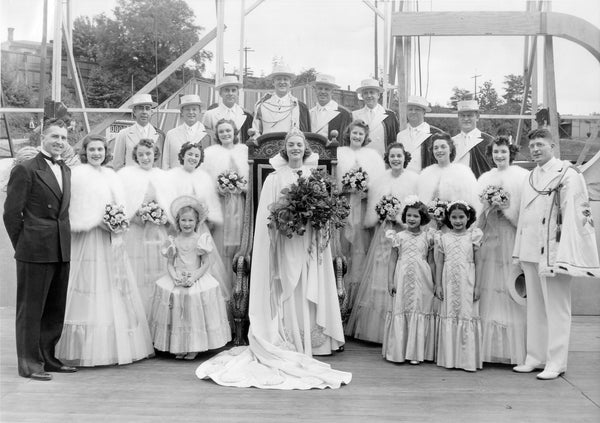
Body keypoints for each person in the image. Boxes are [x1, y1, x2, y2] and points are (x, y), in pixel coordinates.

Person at [195, 129, 351, 390]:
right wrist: (286, 222)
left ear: (306, 149)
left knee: (307, 282)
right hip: (285, 241)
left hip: (309, 241)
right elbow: (266, 217)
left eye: (299, 144)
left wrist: (314, 219)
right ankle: (286, 338)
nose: (295, 148)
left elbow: (324, 214)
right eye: (290, 145)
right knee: (287, 289)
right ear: (285, 149)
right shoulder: (273, 179)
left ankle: (314, 341)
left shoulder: (316, 178)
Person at [56, 134, 154, 367]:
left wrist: (117, 221)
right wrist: (98, 221)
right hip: (90, 239)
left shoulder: (112, 175)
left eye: (100, 149)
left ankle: (113, 346)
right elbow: (76, 207)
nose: (97, 154)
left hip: (112, 239)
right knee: (90, 285)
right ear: (85, 152)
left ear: (106, 152)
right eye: (92, 150)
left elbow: (119, 205)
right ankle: (84, 346)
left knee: (112, 286)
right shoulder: (78, 175)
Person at [512, 128, 600, 380]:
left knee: (557, 308)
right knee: (536, 307)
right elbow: (524, 217)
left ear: (552, 146)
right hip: (531, 251)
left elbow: (576, 215)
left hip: (554, 252)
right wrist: (519, 252)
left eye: (540, 144)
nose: (536, 149)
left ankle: (556, 361)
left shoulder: (568, 175)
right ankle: (535, 357)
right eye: (532, 146)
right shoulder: (530, 176)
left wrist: (565, 253)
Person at [3, 119, 76, 380]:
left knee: (55, 308)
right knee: (31, 308)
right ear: (42, 138)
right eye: (54, 136)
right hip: (34, 248)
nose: (59, 142)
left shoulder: (65, 169)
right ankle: (29, 363)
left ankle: (48, 357)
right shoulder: (26, 169)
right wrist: (23, 244)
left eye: (64, 138)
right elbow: (11, 214)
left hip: (60, 246)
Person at [346, 142, 417, 343]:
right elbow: (372, 210)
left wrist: (400, 218)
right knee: (379, 272)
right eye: (392, 156)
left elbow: (415, 207)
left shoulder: (413, 179)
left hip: (403, 232)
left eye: (399, 156)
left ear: (405, 158)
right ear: (388, 159)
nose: (396, 159)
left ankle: (399, 327)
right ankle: (375, 329)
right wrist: (383, 214)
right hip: (383, 231)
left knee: (399, 272)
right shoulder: (380, 180)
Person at [149, 196, 231, 360]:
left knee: (193, 308)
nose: (187, 224)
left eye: (190, 220)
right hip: (178, 277)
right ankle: (180, 346)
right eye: (184, 220)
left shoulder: (201, 240)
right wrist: (174, 277)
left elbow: (205, 264)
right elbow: (170, 264)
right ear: (178, 222)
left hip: (196, 276)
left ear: (197, 221)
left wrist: (193, 277)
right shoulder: (173, 240)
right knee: (176, 307)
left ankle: (194, 346)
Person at [476, 136, 528, 365]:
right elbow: (478, 210)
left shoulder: (521, 177)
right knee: (490, 283)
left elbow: (523, 211)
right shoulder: (486, 178)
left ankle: (513, 348)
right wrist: (489, 205)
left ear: (511, 154)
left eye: (503, 152)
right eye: (496, 152)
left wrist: (507, 208)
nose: (499, 156)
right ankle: (487, 347)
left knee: (507, 283)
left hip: (509, 234)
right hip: (490, 236)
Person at [336, 120, 385, 320]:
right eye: (354, 133)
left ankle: (356, 304)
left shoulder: (372, 157)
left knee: (360, 251)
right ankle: (340, 297)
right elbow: (334, 183)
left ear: (365, 137)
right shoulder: (340, 153)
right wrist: (346, 188)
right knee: (343, 248)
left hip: (363, 207)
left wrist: (366, 189)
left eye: (361, 134)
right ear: (349, 134)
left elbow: (378, 185)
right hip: (345, 207)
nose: (357, 137)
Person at [117, 139, 171, 315]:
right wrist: (136, 216)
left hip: (158, 232)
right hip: (136, 231)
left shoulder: (163, 175)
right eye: (140, 154)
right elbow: (122, 204)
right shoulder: (126, 175)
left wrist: (162, 216)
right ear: (135, 156)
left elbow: (170, 203)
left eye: (148, 153)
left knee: (159, 269)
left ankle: (157, 313)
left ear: (155, 154)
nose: (145, 157)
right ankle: (136, 312)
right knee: (136, 270)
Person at [383, 197, 436, 364]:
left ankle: (415, 353)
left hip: (422, 278)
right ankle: (399, 350)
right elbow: (392, 259)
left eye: (416, 216)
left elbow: (432, 261)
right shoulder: (398, 236)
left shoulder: (428, 237)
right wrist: (390, 281)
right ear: (405, 216)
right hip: (403, 276)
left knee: (419, 309)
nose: (412, 219)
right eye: (409, 215)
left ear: (423, 218)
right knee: (401, 308)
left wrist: (435, 283)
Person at [434, 201, 483, 372]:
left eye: (461, 217)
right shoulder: (443, 238)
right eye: (454, 217)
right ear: (448, 218)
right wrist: (438, 284)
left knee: (465, 314)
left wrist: (477, 286)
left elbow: (479, 262)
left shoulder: (473, 236)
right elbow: (439, 263)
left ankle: (466, 359)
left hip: (467, 281)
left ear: (468, 217)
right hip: (448, 282)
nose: (457, 221)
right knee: (450, 314)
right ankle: (450, 358)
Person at [201, 119, 248, 288]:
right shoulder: (210, 153)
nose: (225, 134)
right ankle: (221, 285)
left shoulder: (244, 151)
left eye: (228, 130)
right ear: (217, 134)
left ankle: (240, 285)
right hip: (220, 205)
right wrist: (218, 188)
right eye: (221, 131)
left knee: (240, 241)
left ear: (234, 132)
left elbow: (250, 178)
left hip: (241, 204)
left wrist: (242, 187)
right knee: (221, 243)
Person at [418, 133, 480, 221]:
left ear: (450, 150)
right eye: (436, 148)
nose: (439, 150)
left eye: (443, 147)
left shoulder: (463, 172)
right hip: (430, 223)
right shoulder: (426, 174)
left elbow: (471, 202)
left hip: (454, 223)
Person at [251, 64, 310, 136]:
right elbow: (256, 131)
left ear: (290, 83)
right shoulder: (262, 105)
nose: (282, 82)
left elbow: (305, 135)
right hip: (267, 146)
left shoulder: (300, 107)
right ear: (273, 82)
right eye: (279, 79)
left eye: (285, 79)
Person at [112, 94, 165, 171]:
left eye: (147, 108)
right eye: (141, 108)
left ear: (151, 112)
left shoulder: (160, 135)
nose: (144, 112)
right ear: (134, 111)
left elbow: (162, 163)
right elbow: (117, 163)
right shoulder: (124, 134)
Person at [162, 94, 211, 170]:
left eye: (194, 109)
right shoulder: (171, 134)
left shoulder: (208, 135)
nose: (191, 112)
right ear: (182, 112)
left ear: (200, 111)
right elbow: (165, 162)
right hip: (176, 179)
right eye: (187, 109)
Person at [396, 95, 443, 173]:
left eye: (417, 109)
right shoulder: (400, 135)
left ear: (424, 112)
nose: (413, 112)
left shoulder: (436, 134)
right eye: (410, 109)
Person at [352, 78, 399, 156]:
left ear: (378, 95)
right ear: (362, 96)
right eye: (366, 93)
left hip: (383, 160)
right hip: (361, 159)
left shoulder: (390, 116)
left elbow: (395, 141)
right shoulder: (354, 115)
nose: (369, 96)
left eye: (372, 92)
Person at [202, 76, 253, 144]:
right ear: (220, 93)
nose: (230, 93)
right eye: (226, 90)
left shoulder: (247, 115)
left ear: (238, 93)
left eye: (233, 90)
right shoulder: (210, 115)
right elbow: (205, 139)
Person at [451, 100, 493, 178]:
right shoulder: (451, 141)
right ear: (458, 118)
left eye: (470, 115)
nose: (466, 119)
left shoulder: (489, 141)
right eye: (462, 116)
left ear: (477, 117)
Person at [309, 73, 352, 140]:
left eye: (327, 89)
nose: (323, 92)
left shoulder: (344, 114)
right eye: (320, 88)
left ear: (332, 92)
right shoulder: (309, 113)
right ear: (315, 90)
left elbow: (347, 140)